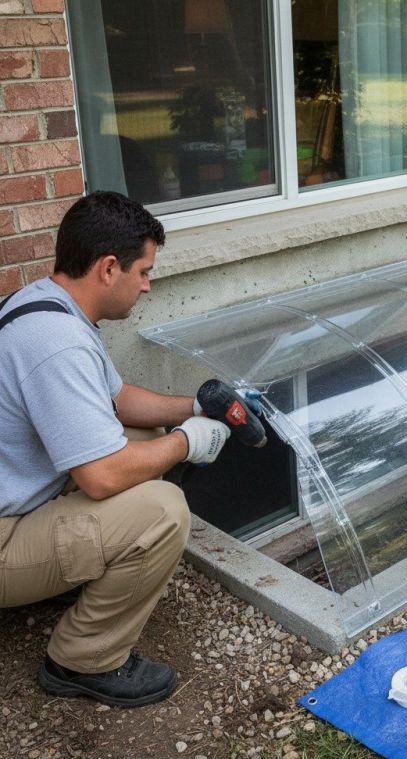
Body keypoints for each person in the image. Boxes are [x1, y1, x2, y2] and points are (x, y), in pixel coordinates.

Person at [0, 191, 233, 707]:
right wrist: (188, 443)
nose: (147, 285)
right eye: (143, 272)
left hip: (15, 498)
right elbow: (102, 476)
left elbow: (117, 400)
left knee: (143, 441)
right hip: (4, 538)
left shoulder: (47, 304)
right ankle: (83, 660)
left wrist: (194, 408)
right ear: (109, 268)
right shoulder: (56, 343)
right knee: (163, 511)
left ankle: (68, 577)